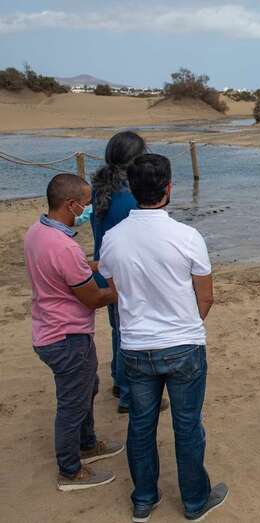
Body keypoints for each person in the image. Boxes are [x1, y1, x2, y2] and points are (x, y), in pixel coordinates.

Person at [98, 154, 228, 522]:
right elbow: (206, 295)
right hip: (182, 344)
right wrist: (185, 323)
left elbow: (114, 286)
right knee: (187, 424)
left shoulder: (113, 237)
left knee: (141, 423)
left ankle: (144, 498)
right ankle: (194, 501)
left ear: (131, 189)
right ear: (169, 188)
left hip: (137, 345)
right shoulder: (186, 236)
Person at [24, 173, 123, 491]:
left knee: (87, 387)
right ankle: (70, 470)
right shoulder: (62, 247)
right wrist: (120, 285)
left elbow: (70, 269)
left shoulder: (37, 232)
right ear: (71, 204)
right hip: (66, 336)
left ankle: (87, 443)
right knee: (72, 403)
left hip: (49, 327)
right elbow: (93, 299)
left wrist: (97, 265)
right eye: (86, 203)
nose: (89, 208)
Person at [90, 131, 159, 414]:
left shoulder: (99, 190)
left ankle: (120, 380)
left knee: (119, 328)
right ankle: (130, 395)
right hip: (127, 275)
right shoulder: (131, 199)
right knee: (130, 331)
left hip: (106, 272)